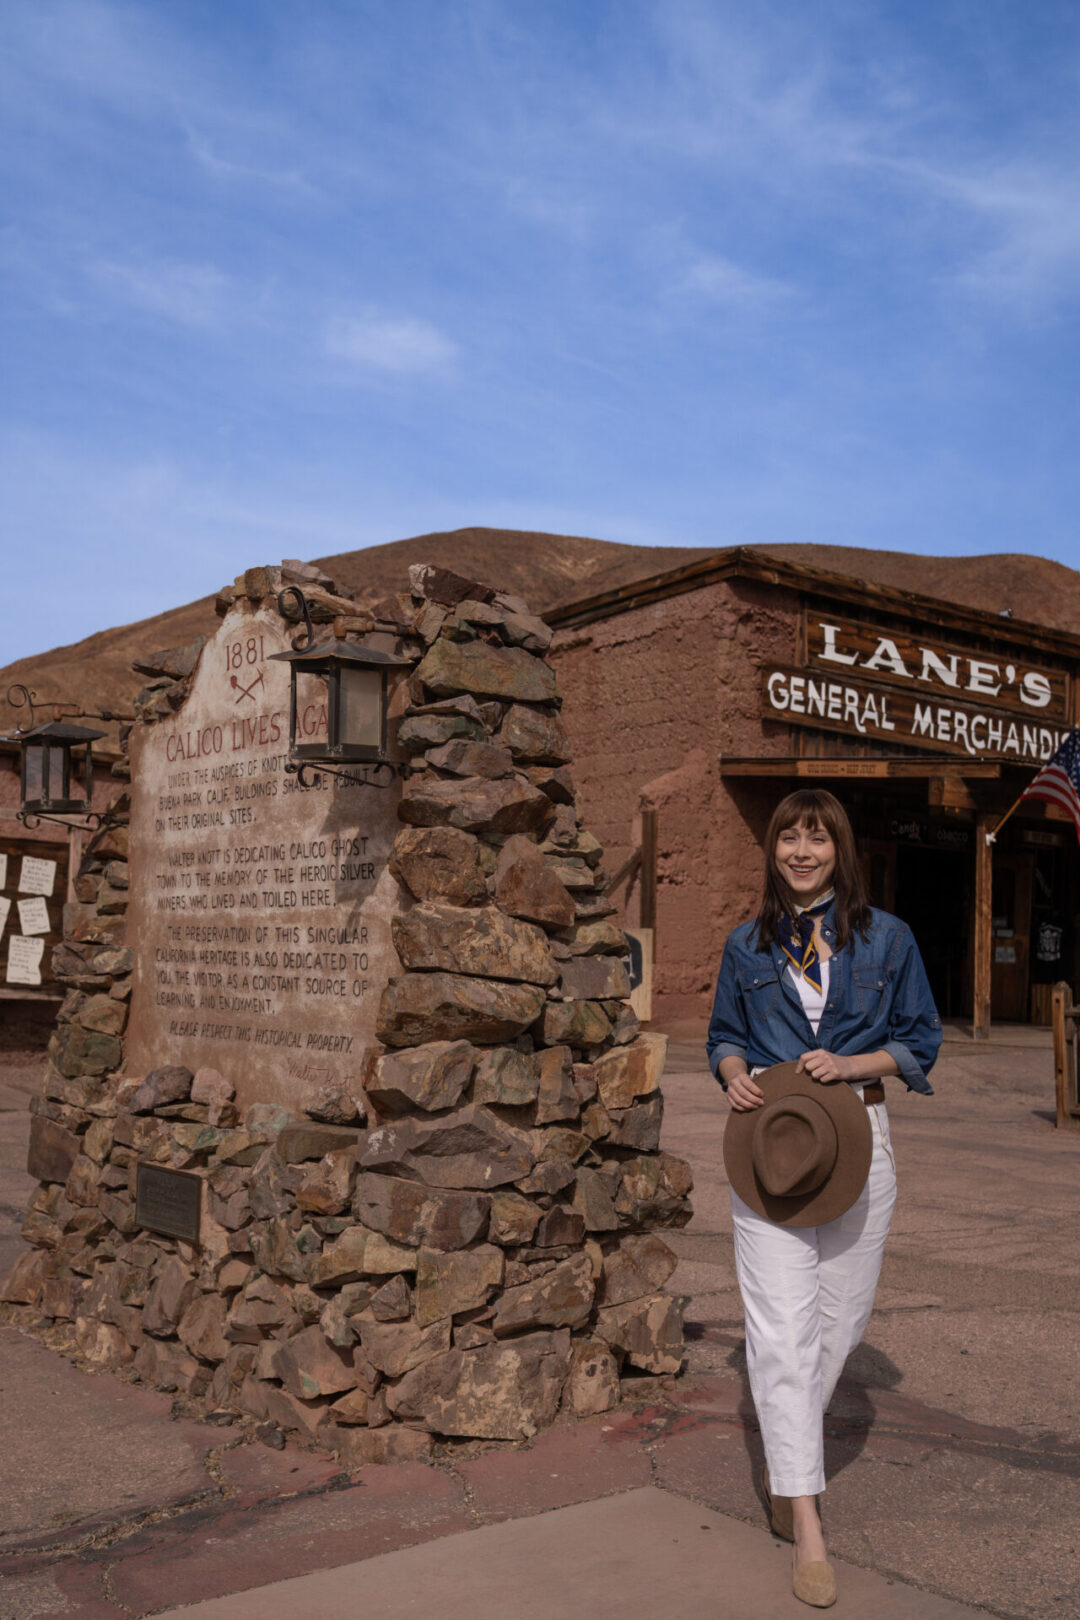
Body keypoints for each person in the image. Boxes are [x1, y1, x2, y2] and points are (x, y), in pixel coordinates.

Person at [706, 789, 941, 1608]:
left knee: (837, 1324)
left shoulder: (889, 939)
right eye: (787, 838)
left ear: (840, 848)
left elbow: (920, 1039)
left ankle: (787, 1458)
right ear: (771, 851)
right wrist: (735, 1076)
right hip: (772, 1147)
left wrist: (855, 1064)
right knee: (779, 1332)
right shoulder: (747, 945)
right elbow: (724, 1036)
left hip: (862, 1143)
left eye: (815, 837)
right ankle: (806, 1518)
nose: (801, 851)